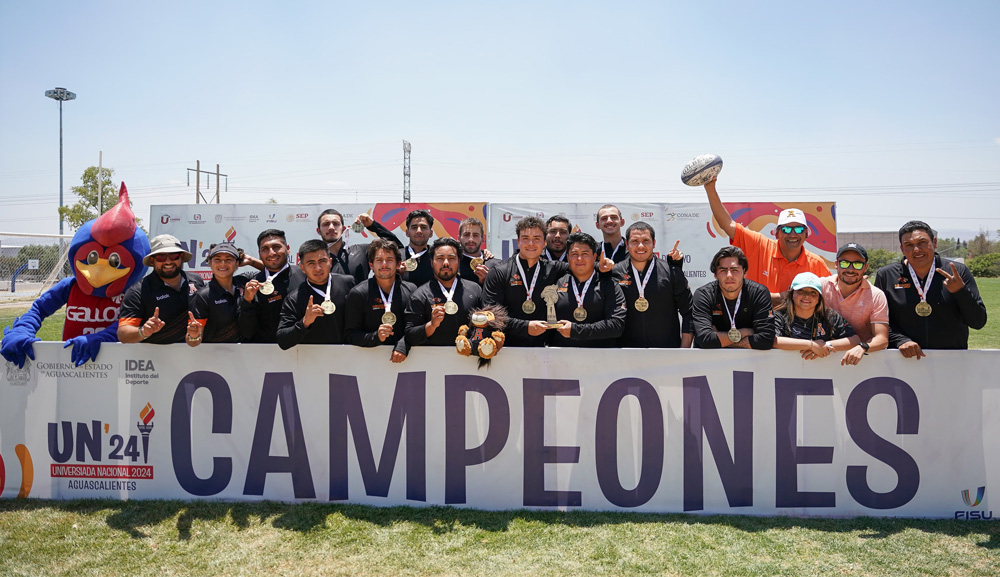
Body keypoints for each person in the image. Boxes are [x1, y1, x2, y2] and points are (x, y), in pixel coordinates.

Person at [703, 178, 830, 304]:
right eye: (786, 229)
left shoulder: (817, 265)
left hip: (796, 324)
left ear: (806, 233)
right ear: (777, 233)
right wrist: (710, 188)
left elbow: (827, 301)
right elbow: (727, 224)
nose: (792, 234)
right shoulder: (759, 245)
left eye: (798, 229)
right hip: (756, 322)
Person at [874, 220, 987, 358]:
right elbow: (879, 321)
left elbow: (978, 322)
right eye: (909, 245)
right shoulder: (887, 275)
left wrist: (960, 292)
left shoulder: (957, 272)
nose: (916, 249)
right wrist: (900, 340)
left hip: (951, 361)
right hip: (903, 360)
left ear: (934, 242)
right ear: (902, 249)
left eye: (922, 242)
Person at [613, 222, 693, 348]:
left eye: (646, 240)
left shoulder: (671, 271)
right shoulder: (615, 273)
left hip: (666, 353)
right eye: (634, 241)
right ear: (627, 245)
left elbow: (689, 312)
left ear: (654, 243)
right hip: (625, 355)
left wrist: (684, 350)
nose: (640, 246)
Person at [118, 234, 205, 344]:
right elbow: (123, 334)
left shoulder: (197, 281)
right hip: (154, 358)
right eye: (161, 257)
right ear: (152, 260)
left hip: (197, 355)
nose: (168, 261)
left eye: (174, 256)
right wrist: (143, 332)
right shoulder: (138, 291)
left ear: (182, 257)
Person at [549, 232, 626, 347]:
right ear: (568, 257)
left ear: (594, 257)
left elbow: (616, 325)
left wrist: (576, 330)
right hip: (563, 358)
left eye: (585, 254)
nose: (579, 258)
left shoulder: (609, 285)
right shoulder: (557, 283)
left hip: (600, 358)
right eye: (574, 254)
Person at [344, 239, 416, 362]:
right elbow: (350, 334)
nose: (384, 264)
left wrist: (404, 344)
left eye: (389, 260)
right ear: (371, 265)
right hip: (368, 363)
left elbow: (415, 328)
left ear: (398, 264)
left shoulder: (411, 290)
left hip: (405, 361)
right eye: (379, 260)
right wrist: (375, 337)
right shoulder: (358, 293)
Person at [276, 239, 356, 349]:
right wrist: (304, 322)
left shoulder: (348, 283)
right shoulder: (294, 298)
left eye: (322, 261)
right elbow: (283, 341)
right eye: (311, 263)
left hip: (349, 357)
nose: (318, 268)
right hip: (312, 360)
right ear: (302, 268)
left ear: (330, 262)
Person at [404, 238, 483, 348]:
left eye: (451, 258)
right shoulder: (420, 295)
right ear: (431, 262)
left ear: (459, 261)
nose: (446, 263)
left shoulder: (475, 290)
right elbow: (410, 336)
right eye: (440, 258)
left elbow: (485, 327)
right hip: (433, 361)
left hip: (467, 361)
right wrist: (431, 325)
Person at [691, 246, 774, 350]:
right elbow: (704, 339)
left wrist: (718, 338)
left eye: (735, 270)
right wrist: (744, 333)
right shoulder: (703, 295)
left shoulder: (759, 293)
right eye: (723, 270)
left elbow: (766, 339)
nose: (729, 275)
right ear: (715, 275)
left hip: (749, 361)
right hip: (710, 361)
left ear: (745, 272)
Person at [820, 242, 889, 364]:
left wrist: (862, 347)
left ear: (865, 267)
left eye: (857, 264)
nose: (850, 269)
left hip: (861, 359)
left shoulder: (876, 295)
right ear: (836, 264)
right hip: (822, 356)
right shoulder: (821, 286)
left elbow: (882, 339)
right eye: (845, 263)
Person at [773, 272, 862, 364]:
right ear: (791, 293)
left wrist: (825, 346)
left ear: (819, 298)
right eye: (801, 291)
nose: (807, 296)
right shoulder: (779, 315)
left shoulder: (829, 315)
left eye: (813, 292)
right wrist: (811, 345)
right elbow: (773, 340)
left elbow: (855, 339)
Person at [237, 229, 306, 343]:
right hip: (269, 353)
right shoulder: (254, 285)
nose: (271, 253)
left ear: (288, 249)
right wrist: (247, 302)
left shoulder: (305, 275)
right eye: (265, 249)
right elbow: (247, 332)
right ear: (259, 254)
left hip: (308, 350)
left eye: (276, 247)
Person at [316, 208, 402, 284]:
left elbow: (397, 247)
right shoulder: (314, 260)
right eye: (326, 224)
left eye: (336, 223)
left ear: (344, 229)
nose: (331, 227)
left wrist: (373, 225)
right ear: (318, 231)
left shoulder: (361, 251)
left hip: (362, 301)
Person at [187, 242, 248, 346]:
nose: (223, 264)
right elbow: (193, 342)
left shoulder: (244, 282)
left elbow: (272, 273)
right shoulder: (203, 296)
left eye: (228, 259)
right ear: (210, 263)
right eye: (217, 259)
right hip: (215, 356)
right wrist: (193, 336)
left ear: (237, 263)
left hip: (250, 354)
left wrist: (251, 261)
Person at [400, 209, 436, 286]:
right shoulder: (396, 257)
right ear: (407, 233)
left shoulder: (437, 257)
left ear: (431, 233)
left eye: (423, 227)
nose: (419, 231)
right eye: (414, 227)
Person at [457, 217, 496, 285]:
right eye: (466, 235)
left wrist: (488, 282)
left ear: (483, 239)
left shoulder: (496, 265)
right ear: (458, 238)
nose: (471, 239)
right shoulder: (454, 265)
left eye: (475, 235)